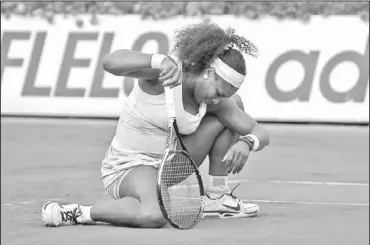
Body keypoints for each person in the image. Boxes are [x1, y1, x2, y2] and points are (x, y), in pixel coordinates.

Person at [41, 22, 270, 228]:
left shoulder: (214, 102)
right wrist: (158, 60)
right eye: (218, 92)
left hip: (169, 165)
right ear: (208, 73)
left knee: (234, 109)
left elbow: (258, 131)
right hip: (129, 167)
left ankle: (216, 197)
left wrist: (248, 142)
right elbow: (110, 61)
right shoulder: (164, 75)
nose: (217, 100)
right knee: (155, 215)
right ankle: (77, 213)